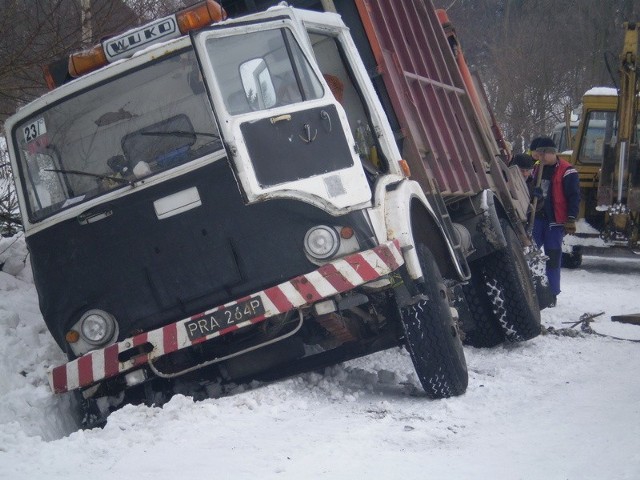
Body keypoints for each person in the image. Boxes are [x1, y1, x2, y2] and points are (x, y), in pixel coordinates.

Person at [529, 137, 580, 307]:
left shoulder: (567, 171)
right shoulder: (536, 169)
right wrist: (532, 193)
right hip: (537, 219)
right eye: (539, 155)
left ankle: (552, 293)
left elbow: (574, 196)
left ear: (551, 153)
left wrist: (571, 218)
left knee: (552, 258)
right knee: (531, 256)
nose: (540, 158)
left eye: (543, 154)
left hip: (555, 223)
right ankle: (533, 291)